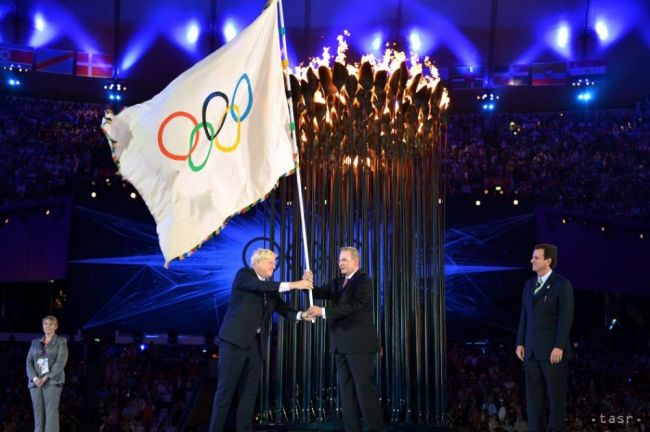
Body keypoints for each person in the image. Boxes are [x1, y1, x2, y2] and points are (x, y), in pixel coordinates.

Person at [208, 248, 313, 432]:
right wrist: (296, 284)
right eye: (270, 262)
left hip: (256, 345)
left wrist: (302, 315)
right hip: (234, 342)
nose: (274, 265)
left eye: (274, 262)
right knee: (226, 390)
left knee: (249, 393)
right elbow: (259, 287)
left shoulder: (271, 288)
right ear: (257, 263)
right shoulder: (245, 275)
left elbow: (283, 309)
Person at [304, 247, 384, 432]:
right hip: (340, 345)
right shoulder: (338, 282)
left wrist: (323, 312)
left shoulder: (363, 281)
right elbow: (317, 293)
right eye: (340, 260)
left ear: (356, 262)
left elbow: (354, 307)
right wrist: (306, 283)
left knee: (365, 391)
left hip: (359, 345)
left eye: (344, 260)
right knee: (346, 393)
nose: (340, 263)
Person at [516, 243, 574, 432]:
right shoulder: (528, 285)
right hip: (531, 351)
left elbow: (566, 318)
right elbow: (524, 316)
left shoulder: (562, 285)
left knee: (556, 398)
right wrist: (520, 342)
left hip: (552, 352)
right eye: (533, 257)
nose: (532, 260)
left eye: (536, 257)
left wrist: (559, 345)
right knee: (533, 399)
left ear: (548, 261)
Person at [26, 315, 69, 432]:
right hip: (35, 383)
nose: (48, 326)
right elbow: (29, 363)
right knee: (38, 412)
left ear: (56, 326)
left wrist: (45, 378)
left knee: (51, 412)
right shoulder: (35, 343)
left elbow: (60, 363)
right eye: (45, 324)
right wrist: (35, 378)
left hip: (52, 381)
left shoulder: (61, 342)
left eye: (51, 324)